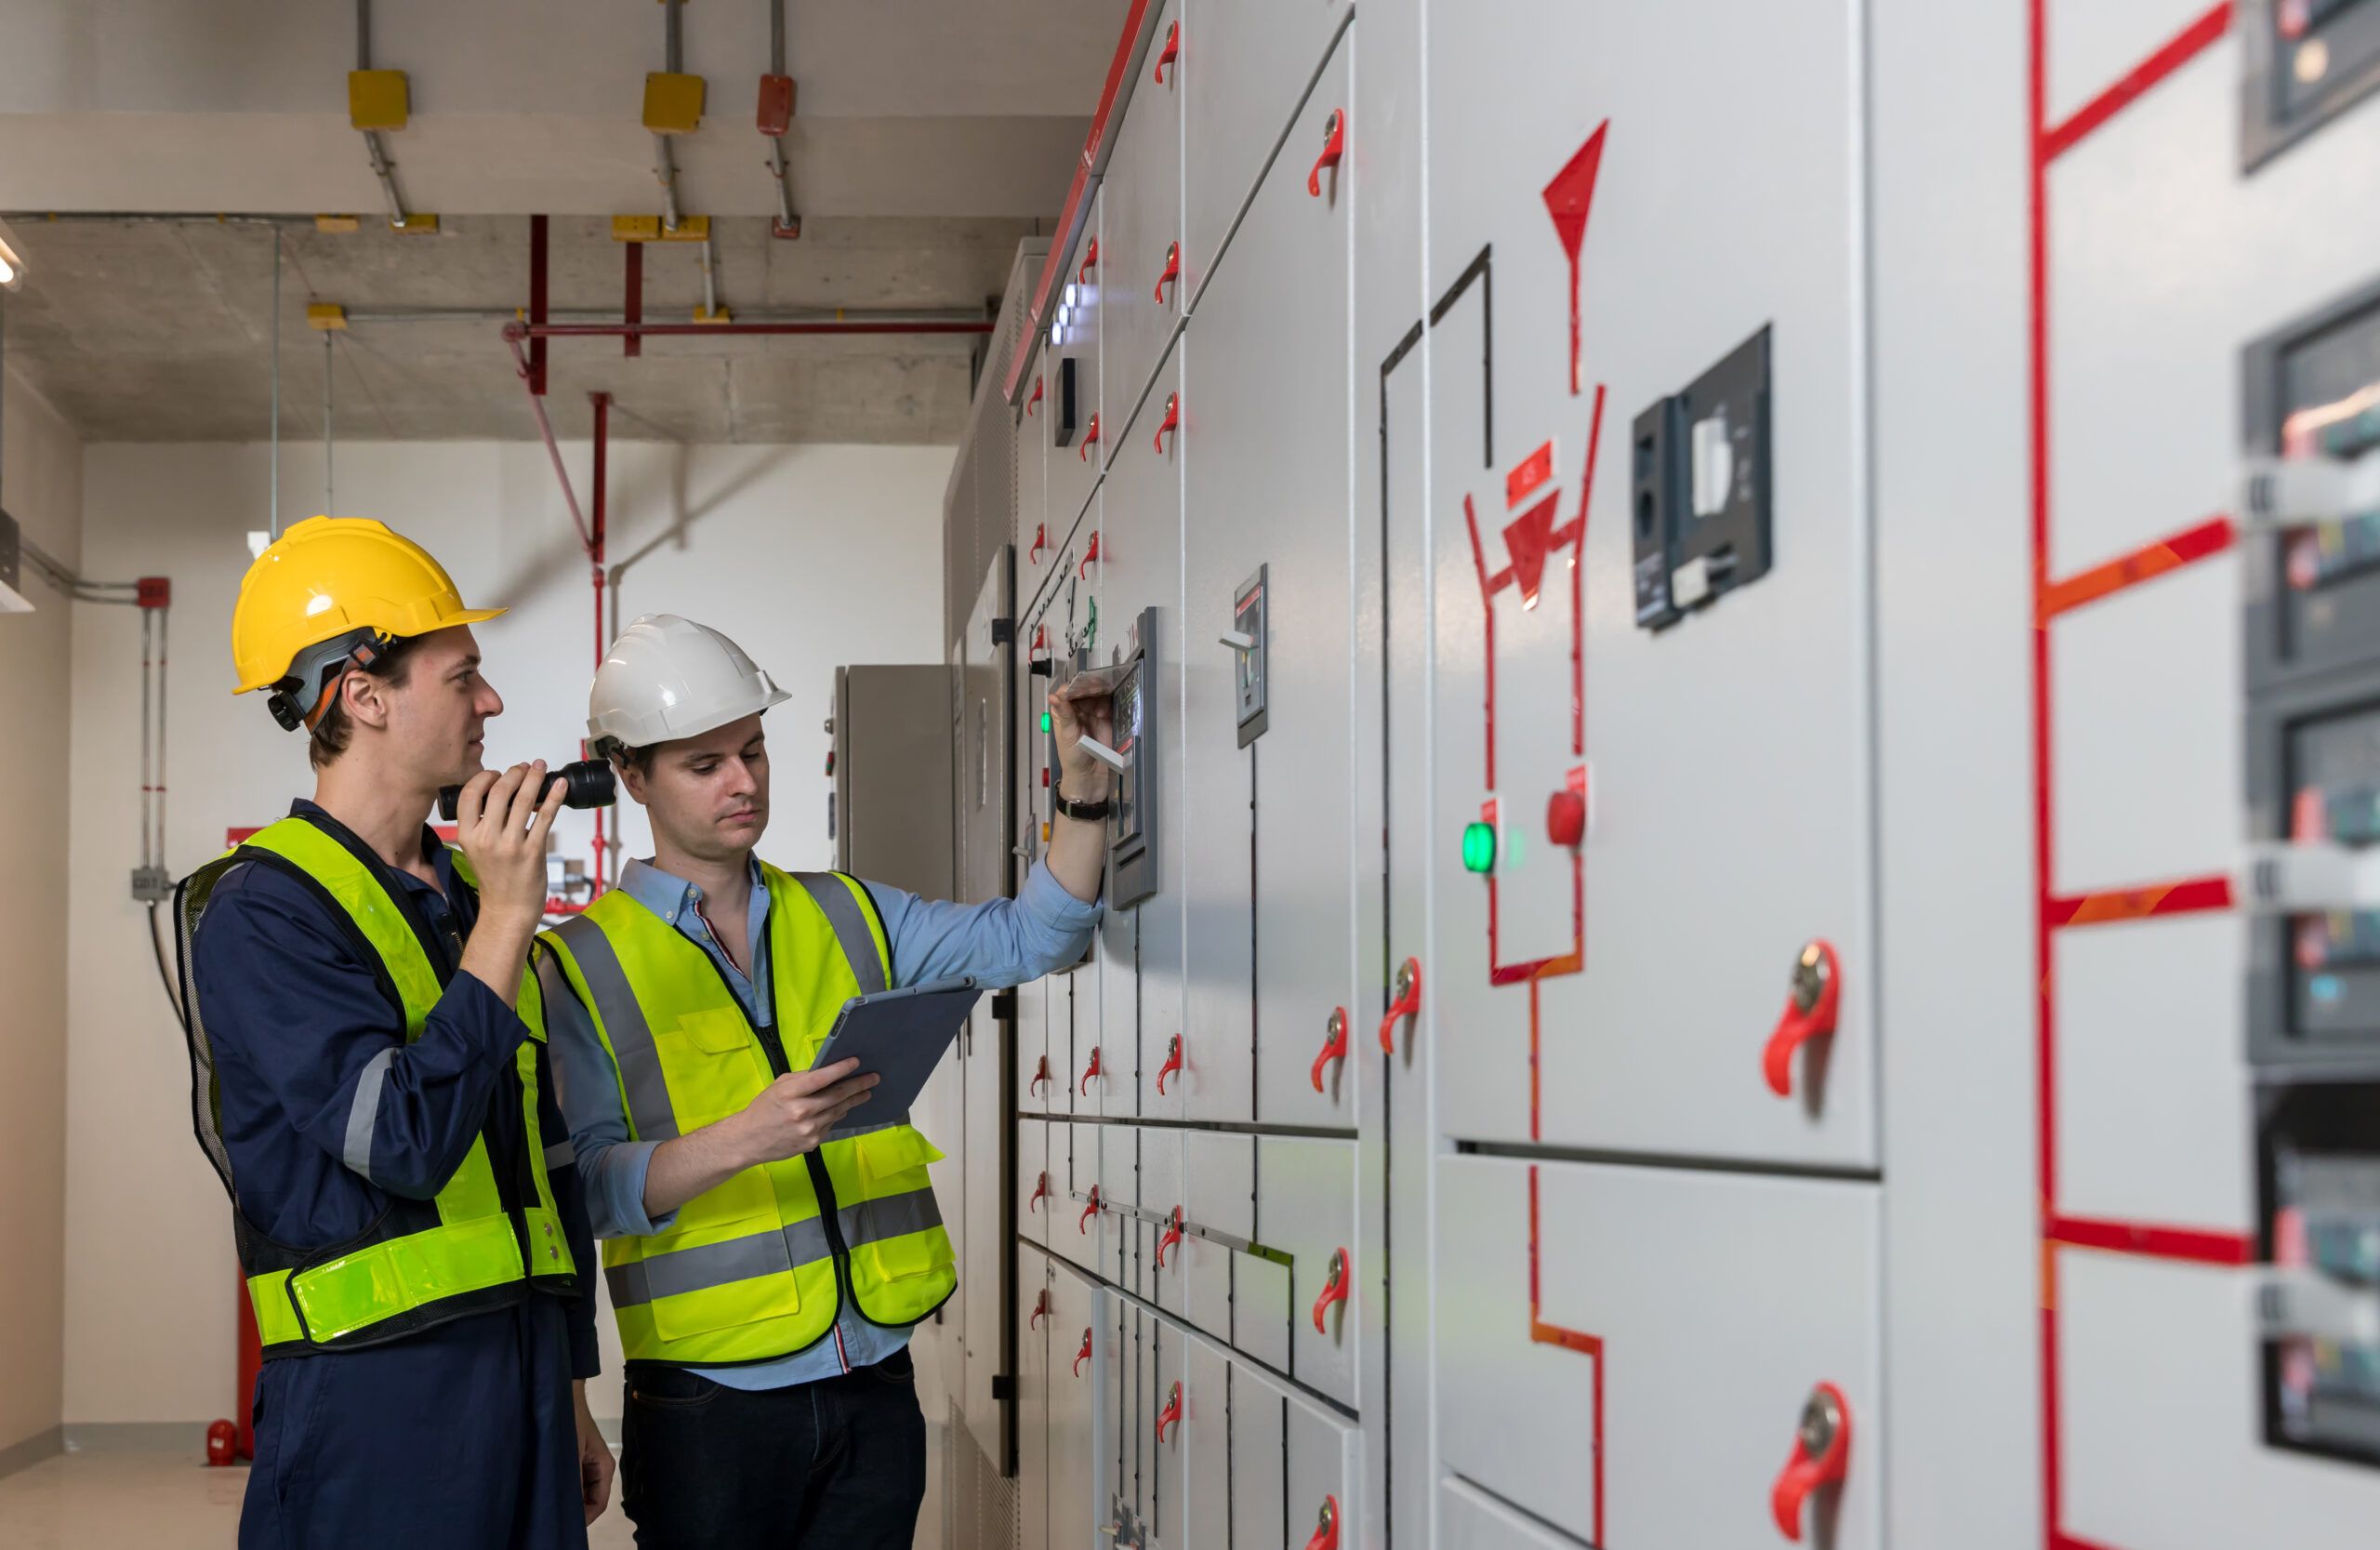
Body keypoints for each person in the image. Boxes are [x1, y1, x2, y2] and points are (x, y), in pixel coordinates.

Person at [535, 613, 1111, 1549]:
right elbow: (587, 1190)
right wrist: (745, 1137)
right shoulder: (578, 966)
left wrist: (1083, 797)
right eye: (704, 763)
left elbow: (1033, 936)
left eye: (753, 750)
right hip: (707, 1403)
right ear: (631, 774)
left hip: (874, 1380)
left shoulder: (849, 910)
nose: (743, 782)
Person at [176, 516, 615, 1549]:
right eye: (464, 675)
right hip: (375, 1397)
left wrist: (573, 1383)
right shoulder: (262, 911)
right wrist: (511, 919)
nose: (492, 702)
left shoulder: (467, 891)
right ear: (365, 695)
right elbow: (402, 1142)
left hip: (522, 1381)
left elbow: (538, 1165)